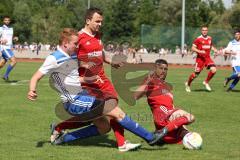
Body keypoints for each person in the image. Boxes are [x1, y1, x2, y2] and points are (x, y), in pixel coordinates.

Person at [58, 7, 163, 149]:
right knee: (115, 113)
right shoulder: (79, 38)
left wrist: (114, 62)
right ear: (88, 21)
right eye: (97, 21)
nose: (100, 24)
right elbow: (69, 58)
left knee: (104, 125)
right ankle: (149, 138)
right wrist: (82, 67)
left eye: (101, 21)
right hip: (90, 85)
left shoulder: (98, 36)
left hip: (103, 81)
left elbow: (101, 54)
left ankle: (60, 131)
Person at [134, 59, 195, 144]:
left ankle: (161, 135)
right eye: (160, 68)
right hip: (162, 116)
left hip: (169, 119)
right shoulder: (151, 81)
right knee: (190, 117)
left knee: (190, 137)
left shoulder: (166, 86)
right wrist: (147, 81)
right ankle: (163, 132)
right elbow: (135, 96)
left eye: (165, 69)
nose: (163, 71)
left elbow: (171, 106)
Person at [185, 25, 219, 92]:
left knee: (214, 70)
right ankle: (188, 85)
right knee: (195, 75)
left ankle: (206, 82)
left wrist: (215, 49)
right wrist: (200, 51)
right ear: (201, 31)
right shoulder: (198, 39)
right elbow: (193, 48)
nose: (204, 31)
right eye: (203, 30)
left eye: (206, 30)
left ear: (207, 31)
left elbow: (210, 46)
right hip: (200, 59)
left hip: (207, 58)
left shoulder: (209, 38)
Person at [0, 16, 18, 81]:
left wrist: (14, 38)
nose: (7, 21)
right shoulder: (1, 29)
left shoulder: (11, 29)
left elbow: (10, 38)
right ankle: (5, 75)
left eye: (8, 20)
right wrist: (1, 41)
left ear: (9, 21)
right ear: (3, 21)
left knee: (1, 64)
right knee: (14, 61)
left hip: (9, 48)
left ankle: (5, 75)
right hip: (4, 48)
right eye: (5, 20)